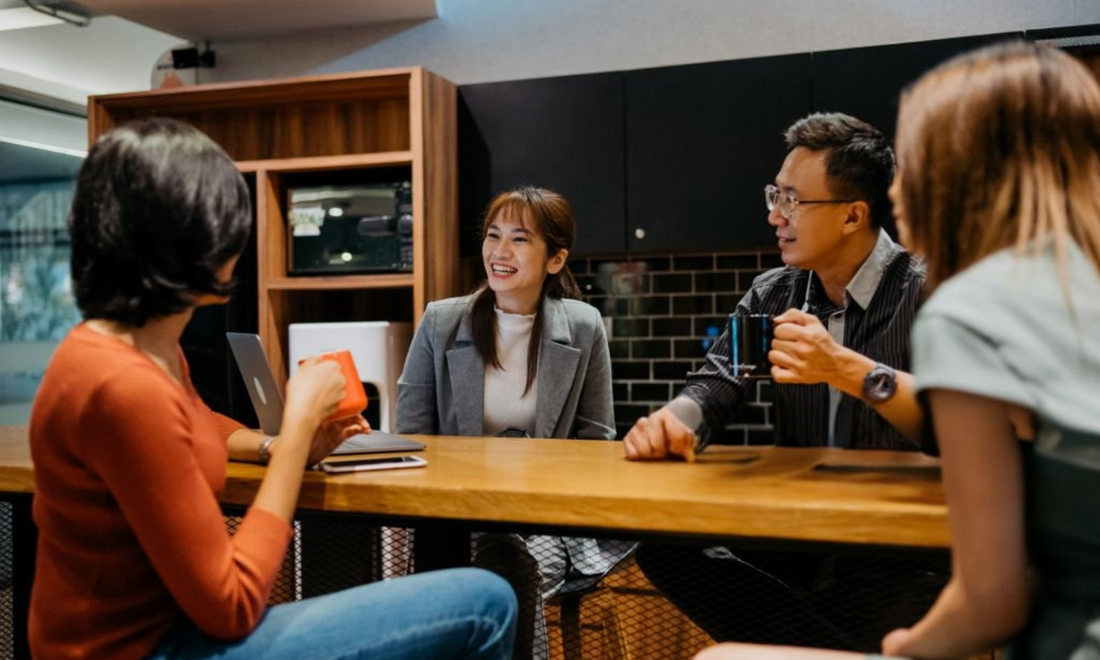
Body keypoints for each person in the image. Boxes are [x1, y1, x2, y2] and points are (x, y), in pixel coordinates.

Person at [28, 117, 517, 660]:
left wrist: (281, 446)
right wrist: (297, 426)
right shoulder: (124, 385)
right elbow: (232, 603)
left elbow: (191, 422)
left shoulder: (136, 345)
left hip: (154, 632)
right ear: (197, 238)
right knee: (485, 602)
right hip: (146, 649)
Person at [694, 40, 1100, 660]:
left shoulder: (957, 302)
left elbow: (992, 594)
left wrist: (902, 651)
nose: (897, 186)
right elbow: (718, 378)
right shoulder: (1055, 293)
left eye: (922, 160)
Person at [624, 112, 942, 651]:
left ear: (852, 216)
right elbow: (718, 382)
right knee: (664, 545)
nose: (775, 215)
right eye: (774, 195)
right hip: (802, 527)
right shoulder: (775, 293)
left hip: (901, 539)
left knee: (880, 588)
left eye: (793, 200)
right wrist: (674, 421)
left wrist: (844, 366)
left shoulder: (928, 289)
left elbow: (959, 422)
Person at [396, 186, 631, 660]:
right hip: (456, 518)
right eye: (492, 235)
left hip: (549, 522)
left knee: (507, 564)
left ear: (555, 259)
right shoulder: (442, 322)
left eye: (519, 240)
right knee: (479, 562)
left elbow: (597, 448)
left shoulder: (583, 327)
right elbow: (412, 438)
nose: (499, 252)